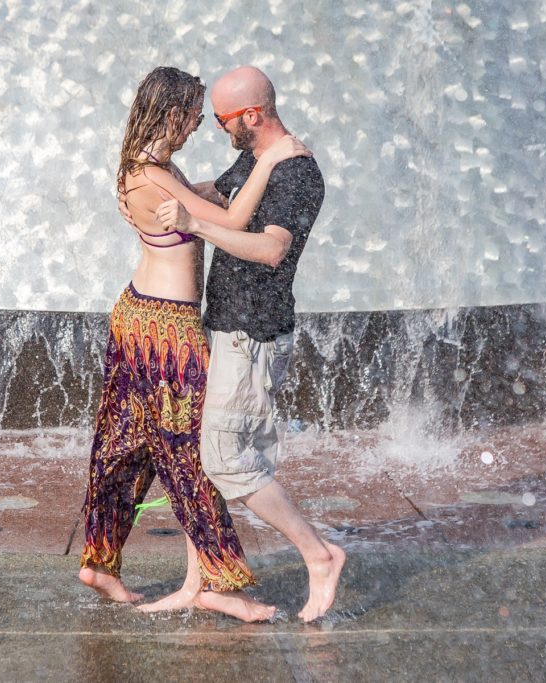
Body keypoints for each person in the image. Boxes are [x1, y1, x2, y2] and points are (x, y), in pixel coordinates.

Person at [78, 66, 310, 623]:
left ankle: (101, 563)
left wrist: (221, 182)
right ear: (172, 112)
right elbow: (232, 217)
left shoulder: (146, 167)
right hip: (168, 331)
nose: (199, 125)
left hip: (137, 314)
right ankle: (218, 582)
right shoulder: (155, 176)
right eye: (194, 114)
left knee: (124, 444)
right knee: (192, 455)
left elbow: (200, 196)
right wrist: (271, 161)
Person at [148, 65, 346, 623]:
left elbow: (270, 250)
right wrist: (156, 175)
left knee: (230, 461)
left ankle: (320, 554)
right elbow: (219, 193)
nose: (216, 128)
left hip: (253, 335)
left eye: (221, 119)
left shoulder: (295, 171)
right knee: (222, 455)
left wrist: (194, 222)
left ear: (251, 116)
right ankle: (201, 580)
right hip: (228, 326)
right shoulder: (258, 156)